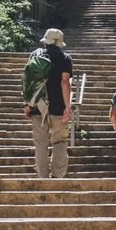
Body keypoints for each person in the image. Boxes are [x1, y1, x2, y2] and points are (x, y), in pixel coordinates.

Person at [23, 29, 72, 178]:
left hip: (38, 106)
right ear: (59, 42)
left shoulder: (35, 55)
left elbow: (28, 81)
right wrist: (67, 106)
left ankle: (42, 177)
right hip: (58, 107)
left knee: (40, 143)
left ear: (46, 40)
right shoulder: (65, 58)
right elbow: (65, 83)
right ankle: (57, 176)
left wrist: (27, 104)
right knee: (60, 141)